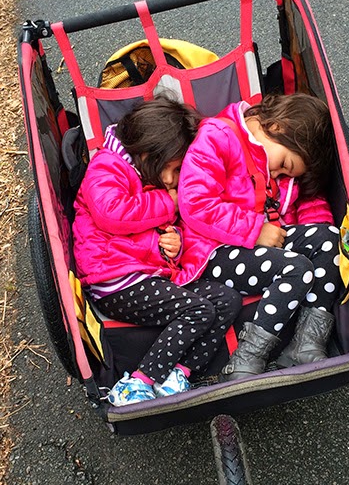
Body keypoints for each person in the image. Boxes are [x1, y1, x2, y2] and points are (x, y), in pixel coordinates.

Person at [72, 96, 242, 406]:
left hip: (148, 275)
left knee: (227, 300)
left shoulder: (149, 177)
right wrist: (169, 203)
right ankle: (138, 382)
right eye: (173, 169)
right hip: (114, 279)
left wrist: (175, 241)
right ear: (150, 152)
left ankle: (178, 375)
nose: (175, 181)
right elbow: (112, 214)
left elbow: (160, 229)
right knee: (198, 310)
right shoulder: (107, 166)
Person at [177, 93, 341, 381]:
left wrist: (306, 238)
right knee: (297, 269)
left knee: (330, 239)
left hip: (259, 245)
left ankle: (305, 344)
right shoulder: (218, 136)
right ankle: (245, 359)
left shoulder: (272, 161)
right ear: (277, 126)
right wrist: (254, 230)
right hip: (212, 251)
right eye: (284, 165)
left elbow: (294, 208)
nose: (278, 174)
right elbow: (195, 204)